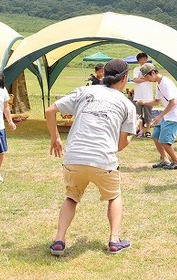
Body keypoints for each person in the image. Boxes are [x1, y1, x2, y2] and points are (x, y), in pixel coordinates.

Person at [45, 59, 137, 256]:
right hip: (103, 160)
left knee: (71, 197)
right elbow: (119, 146)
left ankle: (59, 240)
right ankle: (114, 240)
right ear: (125, 79)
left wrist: (55, 138)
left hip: (74, 157)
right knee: (114, 196)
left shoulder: (85, 92)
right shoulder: (126, 105)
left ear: (102, 75)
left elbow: (50, 110)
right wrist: (131, 135)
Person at [137, 63, 177, 170]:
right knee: (155, 136)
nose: (147, 79)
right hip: (168, 115)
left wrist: (160, 116)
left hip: (174, 116)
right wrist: (143, 102)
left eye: (147, 76)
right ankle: (165, 160)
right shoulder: (159, 84)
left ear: (153, 72)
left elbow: (173, 102)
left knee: (164, 141)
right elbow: (156, 101)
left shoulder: (166, 84)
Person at [132, 52, 154, 137]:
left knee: (148, 113)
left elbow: (152, 79)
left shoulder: (151, 68)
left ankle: (148, 130)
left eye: (144, 58)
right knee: (138, 114)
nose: (143, 60)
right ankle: (140, 130)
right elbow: (135, 79)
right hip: (138, 94)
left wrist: (141, 79)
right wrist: (145, 79)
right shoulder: (136, 69)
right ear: (138, 61)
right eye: (141, 59)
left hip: (148, 95)